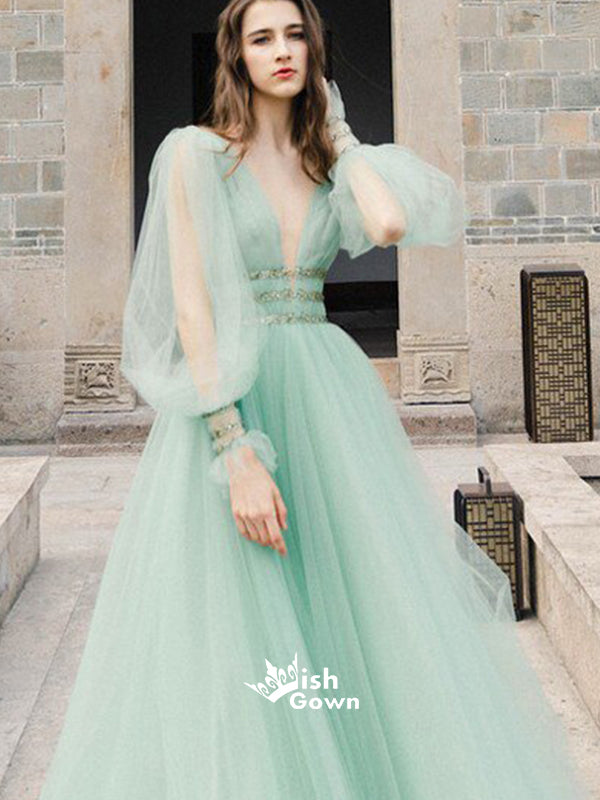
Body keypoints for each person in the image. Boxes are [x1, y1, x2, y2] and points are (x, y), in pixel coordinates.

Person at [37, 0, 592, 798]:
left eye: (296, 35)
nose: (283, 51)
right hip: (236, 400)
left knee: (350, 603)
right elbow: (192, 310)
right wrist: (234, 451)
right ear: (236, 55)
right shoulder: (195, 155)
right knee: (244, 617)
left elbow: (389, 223)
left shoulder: (329, 165)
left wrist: (341, 134)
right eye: (262, 38)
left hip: (329, 398)